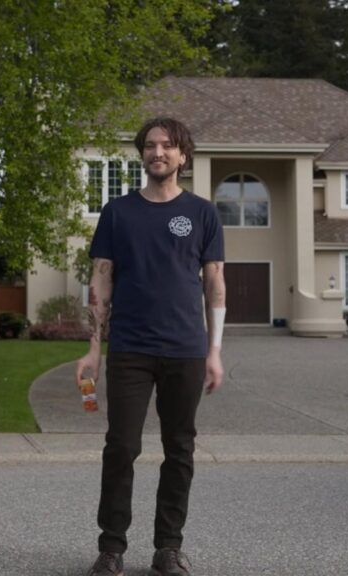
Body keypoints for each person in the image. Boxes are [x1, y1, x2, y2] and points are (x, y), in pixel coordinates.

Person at [76, 117, 226, 576]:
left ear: (183, 156)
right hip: (130, 349)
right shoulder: (118, 213)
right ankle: (111, 548)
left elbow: (215, 283)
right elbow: (101, 278)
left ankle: (168, 549)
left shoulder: (203, 213)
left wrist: (214, 350)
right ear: (143, 155)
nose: (157, 152)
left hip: (185, 349)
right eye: (150, 145)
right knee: (121, 446)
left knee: (179, 449)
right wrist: (94, 349)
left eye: (167, 145)